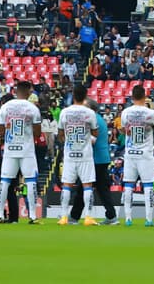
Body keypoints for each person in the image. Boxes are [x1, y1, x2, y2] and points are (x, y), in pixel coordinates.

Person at [0, 80, 43, 223]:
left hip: (10, 149)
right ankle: (33, 216)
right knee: (31, 181)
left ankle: (0, 214)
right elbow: (37, 133)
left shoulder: (5, 107)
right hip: (26, 150)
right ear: (28, 91)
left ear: (16, 91)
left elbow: (1, 131)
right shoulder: (33, 108)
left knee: (5, 181)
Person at [69, 98, 117, 224]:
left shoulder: (93, 120)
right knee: (102, 189)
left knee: (83, 188)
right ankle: (111, 216)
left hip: (95, 159)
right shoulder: (99, 119)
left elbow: (90, 140)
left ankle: (74, 217)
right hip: (102, 158)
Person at [120, 83, 154, 227]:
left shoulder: (125, 113)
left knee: (128, 185)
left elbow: (124, 130)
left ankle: (128, 218)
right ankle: (148, 219)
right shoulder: (150, 113)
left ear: (132, 97)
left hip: (130, 153)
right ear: (145, 96)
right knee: (148, 185)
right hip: (145, 154)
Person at [57, 85, 99, 226]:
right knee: (87, 185)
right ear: (85, 96)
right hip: (85, 154)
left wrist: (68, 141)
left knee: (67, 185)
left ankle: (63, 217)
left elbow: (60, 134)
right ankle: (88, 217)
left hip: (70, 154)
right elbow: (95, 133)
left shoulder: (64, 112)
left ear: (73, 96)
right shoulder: (90, 113)